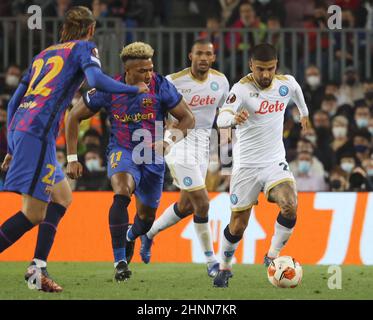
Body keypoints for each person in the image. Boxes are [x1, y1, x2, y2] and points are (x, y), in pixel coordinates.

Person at [0, 6, 147, 293]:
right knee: (33, 213)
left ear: (65, 27)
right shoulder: (84, 47)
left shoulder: (44, 54)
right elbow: (95, 81)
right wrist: (133, 90)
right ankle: (36, 269)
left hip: (23, 129)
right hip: (38, 132)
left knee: (63, 196)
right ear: (91, 30)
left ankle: (37, 268)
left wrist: (11, 143)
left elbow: (12, 101)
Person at [65, 41, 195, 282]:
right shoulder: (108, 88)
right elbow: (73, 116)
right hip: (122, 150)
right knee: (122, 192)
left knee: (145, 220)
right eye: (142, 71)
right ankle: (120, 262)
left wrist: (167, 142)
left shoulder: (161, 86)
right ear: (128, 71)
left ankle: (130, 236)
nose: (148, 74)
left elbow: (188, 118)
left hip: (152, 156)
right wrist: (72, 158)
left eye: (150, 69)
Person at [214, 43, 309, 287]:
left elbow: (296, 90)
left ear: (276, 66)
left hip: (274, 161)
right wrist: (234, 118)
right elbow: (221, 117)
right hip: (246, 166)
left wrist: (304, 112)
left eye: (270, 69)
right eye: (260, 69)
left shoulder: (285, 83)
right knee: (238, 225)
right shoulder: (242, 89)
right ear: (250, 66)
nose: (265, 75)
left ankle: (272, 256)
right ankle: (224, 267)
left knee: (290, 205)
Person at [140, 39, 229, 277]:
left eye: (207, 54)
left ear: (213, 58)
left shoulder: (220, 82)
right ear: (190, 55)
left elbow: (225, 116)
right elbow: (157, 111)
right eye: (198, 53)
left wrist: (226, 149)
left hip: (203, 146)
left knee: (186, 205)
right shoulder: (173, 81)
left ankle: (149, 234)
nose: (203, 58)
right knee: (203, 202)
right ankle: (212, 261)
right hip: (178, 144)